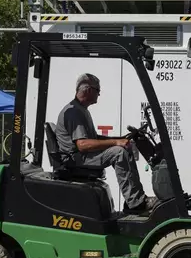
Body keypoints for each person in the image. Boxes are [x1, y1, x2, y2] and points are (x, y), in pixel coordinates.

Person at [54, 73, 159, 214]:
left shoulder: (81, 110)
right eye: (97, 90)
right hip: (76, 158)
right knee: (119, 153)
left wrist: (120, 138)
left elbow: (93, 138)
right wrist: (116, 142)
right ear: (88, 90)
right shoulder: (74, 112)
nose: (99, 94)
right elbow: (83, 145)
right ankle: (136, 202)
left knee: (123, 149)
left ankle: (133, 201)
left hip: (81, 155)